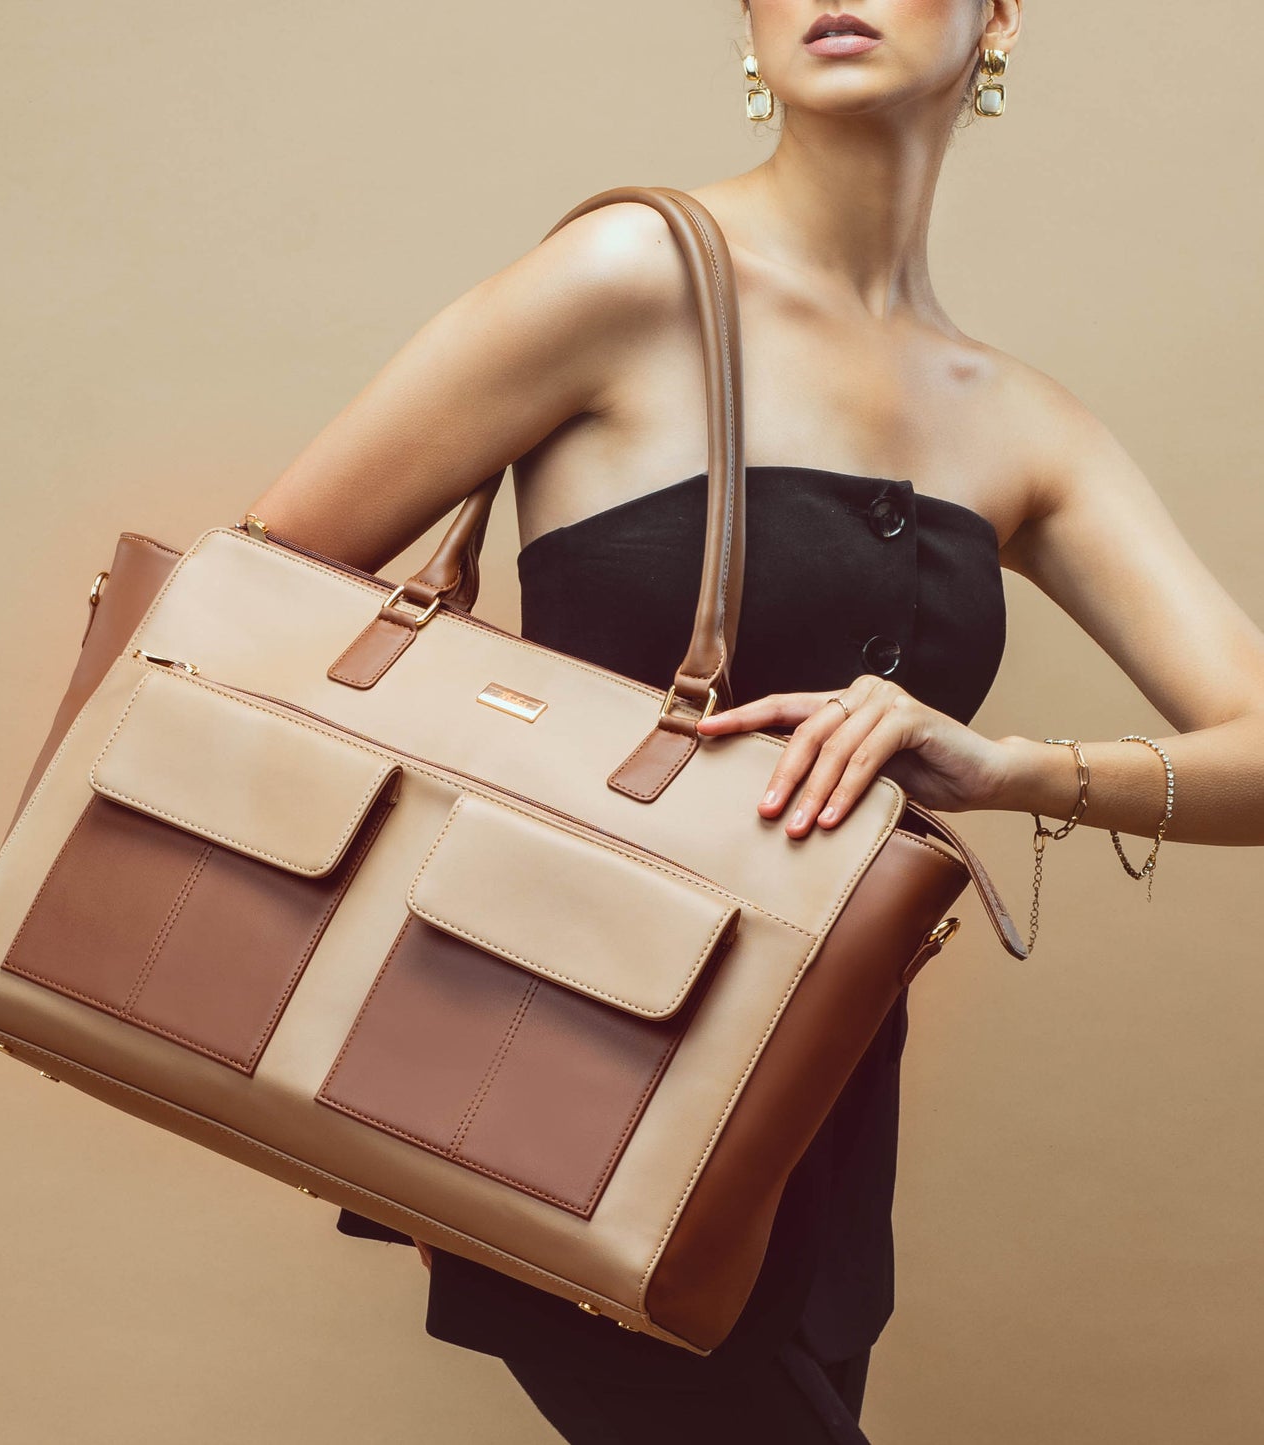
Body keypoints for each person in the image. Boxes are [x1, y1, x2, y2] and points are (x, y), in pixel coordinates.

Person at [244, 1, 1264, 1437]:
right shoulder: (624, 273)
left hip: (819, 1113)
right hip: (543, 1058)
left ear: (997, 17)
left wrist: (1010, 768)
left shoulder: (1026, 424)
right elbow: (264, 592)